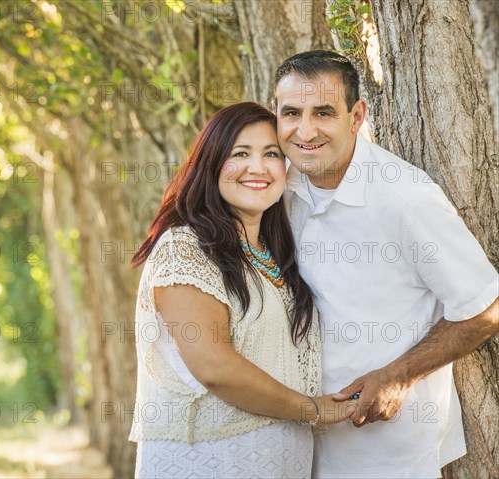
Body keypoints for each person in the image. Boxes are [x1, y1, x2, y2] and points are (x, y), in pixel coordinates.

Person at [273, 50, 499, 478]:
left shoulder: (405, 198)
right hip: (296, 442)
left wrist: (398, 375)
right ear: (275, 114)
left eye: (323, 112)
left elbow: (487, 306)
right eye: (291, 113)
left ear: (356, 116)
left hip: (385, 449)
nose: (305, 130)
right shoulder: (276, 184)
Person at [129, 101, 356, 479]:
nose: (257, 167)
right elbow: (214, 367)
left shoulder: (273, 256)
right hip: (206, 463)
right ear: (212, 164)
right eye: (240, 153)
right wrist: (313, 410)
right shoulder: (184, 248)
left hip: (278, 464)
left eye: (271, 154)